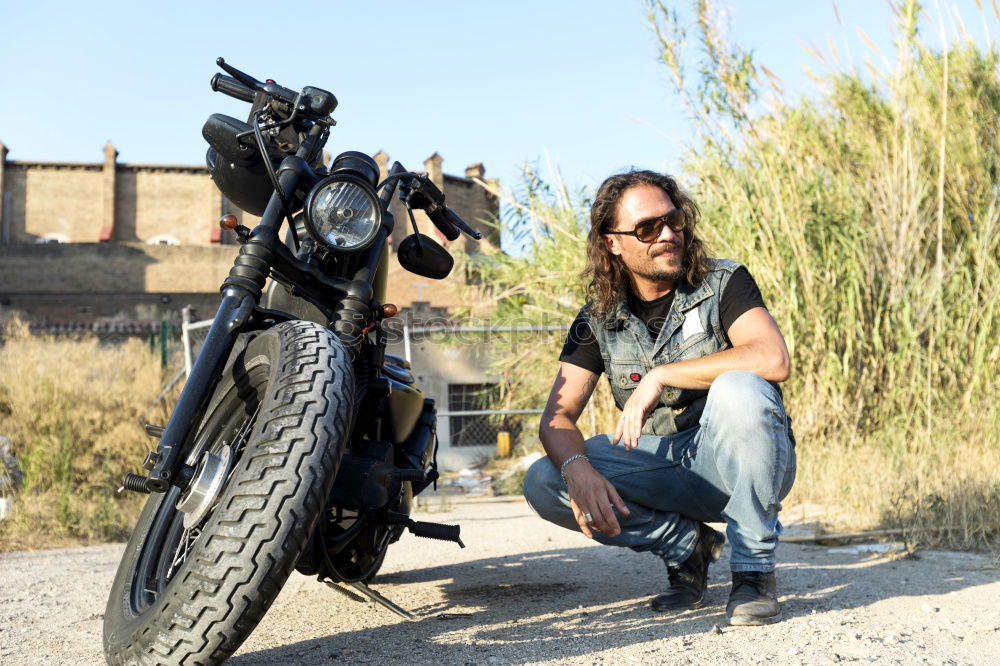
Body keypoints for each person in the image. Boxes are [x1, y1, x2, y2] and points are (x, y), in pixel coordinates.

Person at [523, 169, 797, 626]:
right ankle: (687, 546)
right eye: (648, 228)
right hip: (662, 466)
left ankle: (753, 570)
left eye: (674, 221)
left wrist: (662, 375)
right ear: (613, 242)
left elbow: (772, 358)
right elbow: (558, 416)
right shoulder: (595, 318)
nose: (668, 234)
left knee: (740, 384)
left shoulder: (723, 282)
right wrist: (578, 471)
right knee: (544, 480)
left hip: (735, 460)